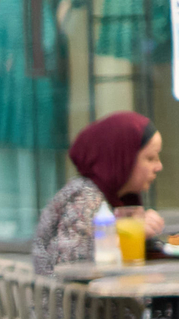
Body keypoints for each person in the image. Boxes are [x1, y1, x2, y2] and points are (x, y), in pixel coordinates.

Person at [32, 111, 165, 276]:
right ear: (123, 159)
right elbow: (71, 268)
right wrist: (134, 235)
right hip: (74, 300)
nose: (159, 166)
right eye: (150, 158)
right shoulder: (85, 197)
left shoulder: (120, 196)